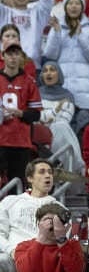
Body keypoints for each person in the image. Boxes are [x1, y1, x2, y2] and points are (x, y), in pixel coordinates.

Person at [43, 0, 89, 133]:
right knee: (61, 133)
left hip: (84, 95)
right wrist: (56, 33)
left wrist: (80, 35)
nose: (73, 7)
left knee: (81, 134)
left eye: (77, 3)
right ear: (65, 7)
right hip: (61, 94)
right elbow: (50, 55)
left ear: (82, 7)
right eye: (70, 3)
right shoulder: (57, 28)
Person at [0, 159, 56, 272]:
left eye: (50, 172)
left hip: (43, 258)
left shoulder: (59, 208)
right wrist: (12, 251)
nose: (47, 176)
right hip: (12, 257)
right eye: (42, 172)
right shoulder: (10, 201)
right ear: (30, 178)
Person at [0, 43, 42, 184]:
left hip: (20, 141)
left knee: (17, 184)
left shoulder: (29, 82)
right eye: (10, 54)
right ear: (3, 55)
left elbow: (36, 115)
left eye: (16, 54)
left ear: (21, 57)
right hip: (0, 139)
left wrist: (20, 113)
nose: (13, 57)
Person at [38, 61, 85, 174]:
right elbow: (37, 117)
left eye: (52, 70)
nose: (48, 73)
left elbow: (65, 118)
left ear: (59, 74)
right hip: (40, 132)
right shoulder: (36, 93)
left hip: (59, 130)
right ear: (41, 76)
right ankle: (77, 165)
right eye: (45, 70)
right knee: (61, 127)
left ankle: (63, 168)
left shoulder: (67, 95)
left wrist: (47, 116)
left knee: (61, 126)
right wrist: (57, 108)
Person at [14, 202, 84, 272]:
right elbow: (24, 270)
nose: (54, 224)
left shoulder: (72, 245)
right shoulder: (24, 246)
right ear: (38, 224)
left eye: (58, 221)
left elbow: (76, 270)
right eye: (48, 220)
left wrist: (61, 238)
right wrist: (42, 237)